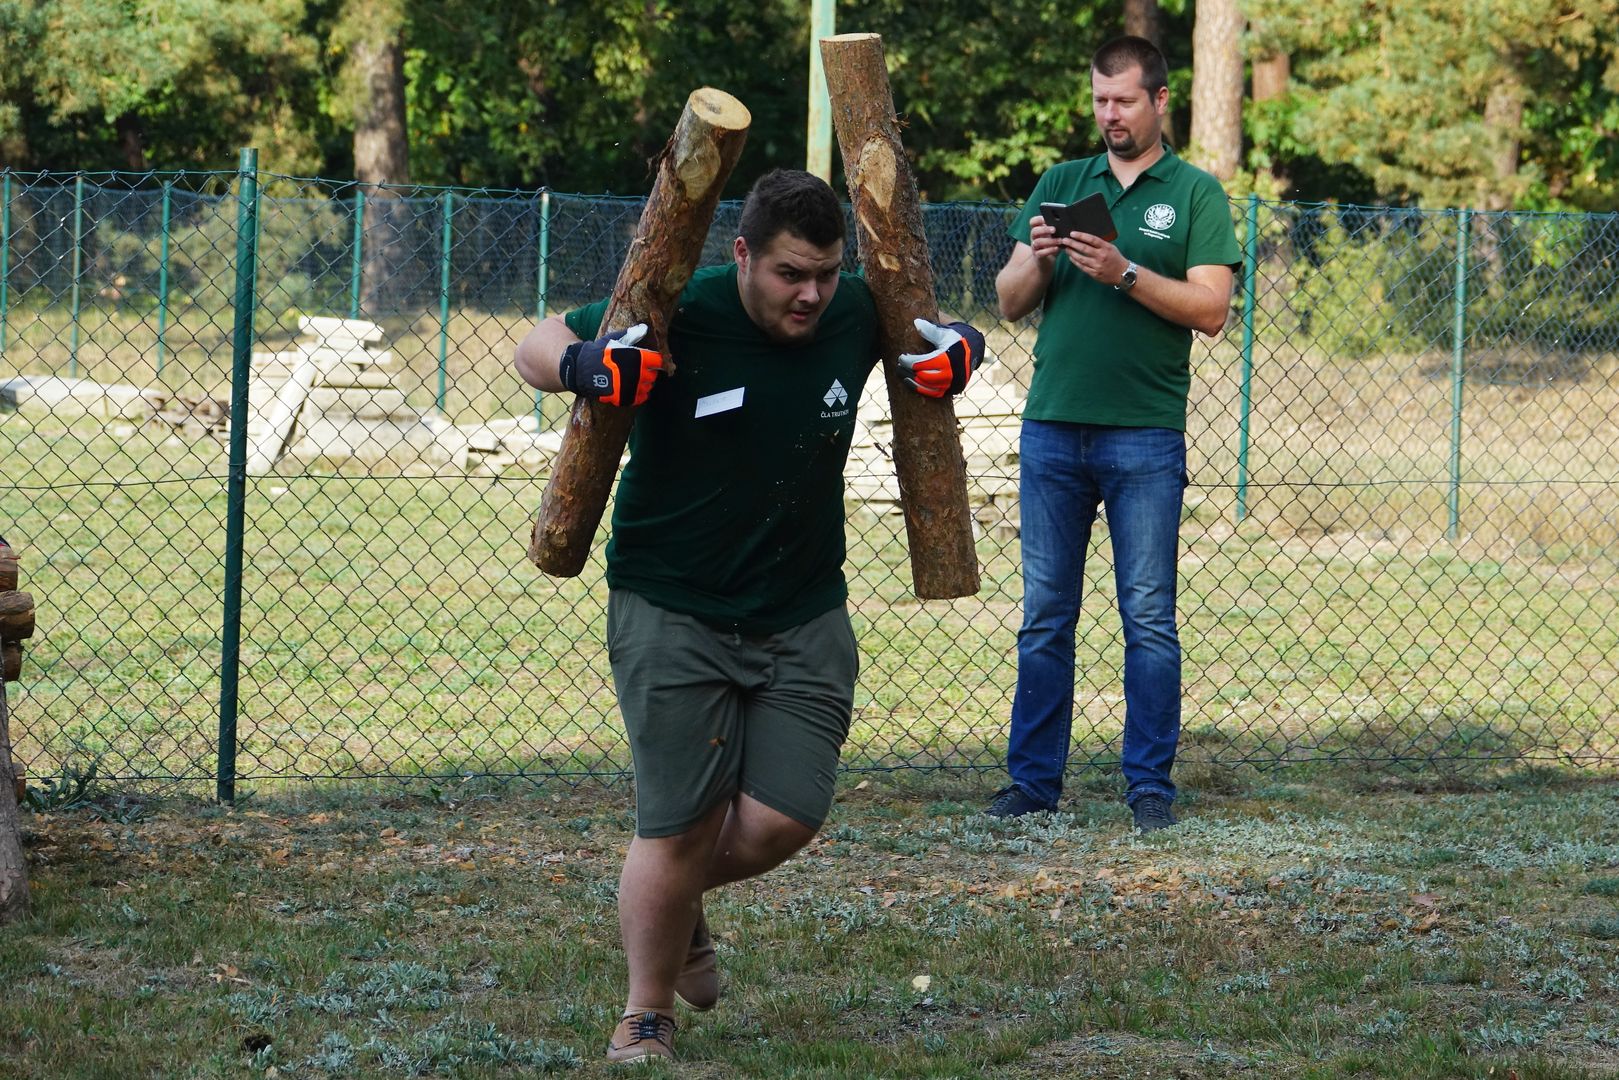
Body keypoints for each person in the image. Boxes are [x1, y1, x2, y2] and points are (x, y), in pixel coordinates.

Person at [514, 169, 986, 1064]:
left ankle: (674, 899)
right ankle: (645, 1010)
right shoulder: (679, 308)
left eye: (825, 272)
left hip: (802, 609)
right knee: (680, 823)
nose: (811, 293)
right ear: (742, 256)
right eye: (788, 274)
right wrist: (585, 366)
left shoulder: (851, 313)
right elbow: (535, 345)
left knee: (785, 818)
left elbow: (944, 332)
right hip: (673, 602)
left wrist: (963, 348)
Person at [987, 36, 1241, 831]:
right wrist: (1039, 256)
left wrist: (1122, 272)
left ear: (1160, 101)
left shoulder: (1195, 192)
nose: (1109, 115)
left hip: (1143, 438)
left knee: (1147, 617)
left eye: (1124, 101)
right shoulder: (1064, 183)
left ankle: (1149, 788)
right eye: (1099, 100)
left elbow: (1211, 310)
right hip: (1053, 430)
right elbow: (1006, 300)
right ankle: (1032, 785)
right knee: (1044, 616)